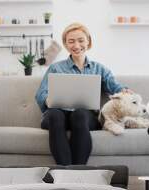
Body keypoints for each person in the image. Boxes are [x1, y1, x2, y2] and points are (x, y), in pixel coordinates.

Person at [35, 23, 129, 165]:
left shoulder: (99, 69)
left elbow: (115, 87)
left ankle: (77, 172)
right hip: (58, 116)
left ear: (88, 42)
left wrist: (124, 91)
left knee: (79, 114)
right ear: (66, 44)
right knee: (54, 114)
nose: (76, 45)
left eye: (81, 40)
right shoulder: (56, 68)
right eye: (71, 41)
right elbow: (41, 94)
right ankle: (65, 174)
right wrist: (48, 100)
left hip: (83, 117)